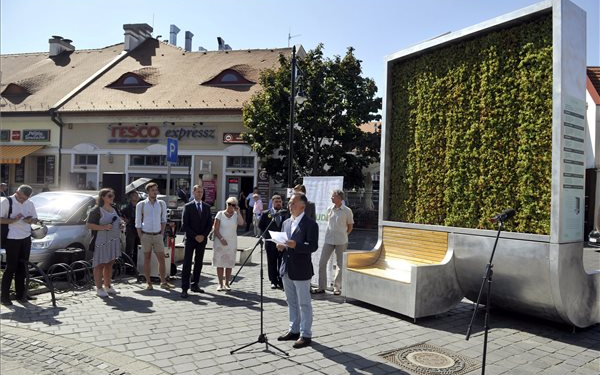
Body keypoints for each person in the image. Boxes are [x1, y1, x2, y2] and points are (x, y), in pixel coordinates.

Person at [276, 192, 319, 349]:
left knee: (304, 304)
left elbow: (313, 246)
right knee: (291, 301)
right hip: (286, 267)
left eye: (293, 202)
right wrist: (280, 246)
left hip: (301, 269)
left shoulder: (310, 224)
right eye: (289, 202)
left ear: (303, 205)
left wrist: (297, 246)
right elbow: (282, 242)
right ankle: (294, 330)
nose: (290, 205)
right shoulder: (286, 222)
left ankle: (305, 334)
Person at [0, 185, 38, 306]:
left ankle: (21, 294)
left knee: (23, 267)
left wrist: (30, 220)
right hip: (12, 238)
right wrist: (13, 220)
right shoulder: (7, 201)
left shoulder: (30, 203)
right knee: (11, 267)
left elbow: (35, 219)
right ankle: (4, 297)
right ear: (16, 192)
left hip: (26, 237)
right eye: (20, 198)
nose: (22, 200)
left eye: (24, 199)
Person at [313, 189, 354, 295]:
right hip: (329, 240)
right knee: (322, 262)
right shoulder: (329, 209)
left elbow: (350, 226)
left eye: (333, 196)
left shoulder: (347, 210)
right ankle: (321, 287)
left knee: (340, 264)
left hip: (341, 241)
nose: (331, 198)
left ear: (339, 198)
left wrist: (344, 235)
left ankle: (337, 287)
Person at [135, 182, 174, 290]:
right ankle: (148, 282)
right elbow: (137, 222)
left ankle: (163, 282)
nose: (155, 192)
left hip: (157, 235)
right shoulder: (141, 204)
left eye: (156, 190)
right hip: (146, 234)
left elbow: (164, 220)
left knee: (161, 259)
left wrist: (161, 233)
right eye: (153, 190)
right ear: (148, 192)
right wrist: (140, 235)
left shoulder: (161, 203)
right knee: (147, 258)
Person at [86, 188, 123, 298]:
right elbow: (89, 225)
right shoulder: (96, 210)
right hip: (101, 241)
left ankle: (108, 286)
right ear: (103, 197)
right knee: (99, 264)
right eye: (109, 196)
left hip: (113, 240)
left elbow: (119, 220)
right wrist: (104, 227)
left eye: (113, 195)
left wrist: (121, 225)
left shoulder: (115, 208)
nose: (112, 198)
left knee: (110, 263)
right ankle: (99, 288)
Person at [180, 184, 212, 298]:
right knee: (187, 264)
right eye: (198, 192)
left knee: (198, 263)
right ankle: (184, 288)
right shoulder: (188, 206)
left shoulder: (207, 207)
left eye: (201, 192)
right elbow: (184, 225)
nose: (200, 194)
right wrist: (195, 236)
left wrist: (203, 235)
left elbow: (209, 224)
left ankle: (195, 284)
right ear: (193, 193)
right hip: (190, 239)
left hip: (202, 240)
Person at [212, 197, 244, 291]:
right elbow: (215, 228)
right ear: (226, 204)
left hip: (231, 242)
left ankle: (227, 283)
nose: (230, 206)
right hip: (220, 241)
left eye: (233, 204)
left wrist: (238, 212)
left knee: (229, 263)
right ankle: (220, 283)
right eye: (229, 204)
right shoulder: (220, 214)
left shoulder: (235, 215)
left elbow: (241, 223)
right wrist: (221, 238)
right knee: (220, 263)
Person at [258, 194, 289, 289]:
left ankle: (281, 280)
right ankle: (273, 281)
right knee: (271, 262)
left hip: (282, 243)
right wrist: (267, 235)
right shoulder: (266, 213)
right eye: (276, 202)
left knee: (281, 261)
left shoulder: (286, 213)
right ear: (272, 202)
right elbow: (261, 225)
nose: (278, 203)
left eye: (280, 202)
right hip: (271, 242)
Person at [121, 190, 141, 266]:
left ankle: (136, 264)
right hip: (130, 228)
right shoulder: (126, 207)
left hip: (139, 228)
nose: (136, 197)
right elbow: (121, 215)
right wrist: (125, 220)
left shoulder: (140, 206)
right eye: (134, 195)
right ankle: (128, 265)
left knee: (138, 247)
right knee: (129, 247)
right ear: (130, 197)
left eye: (137, 195)